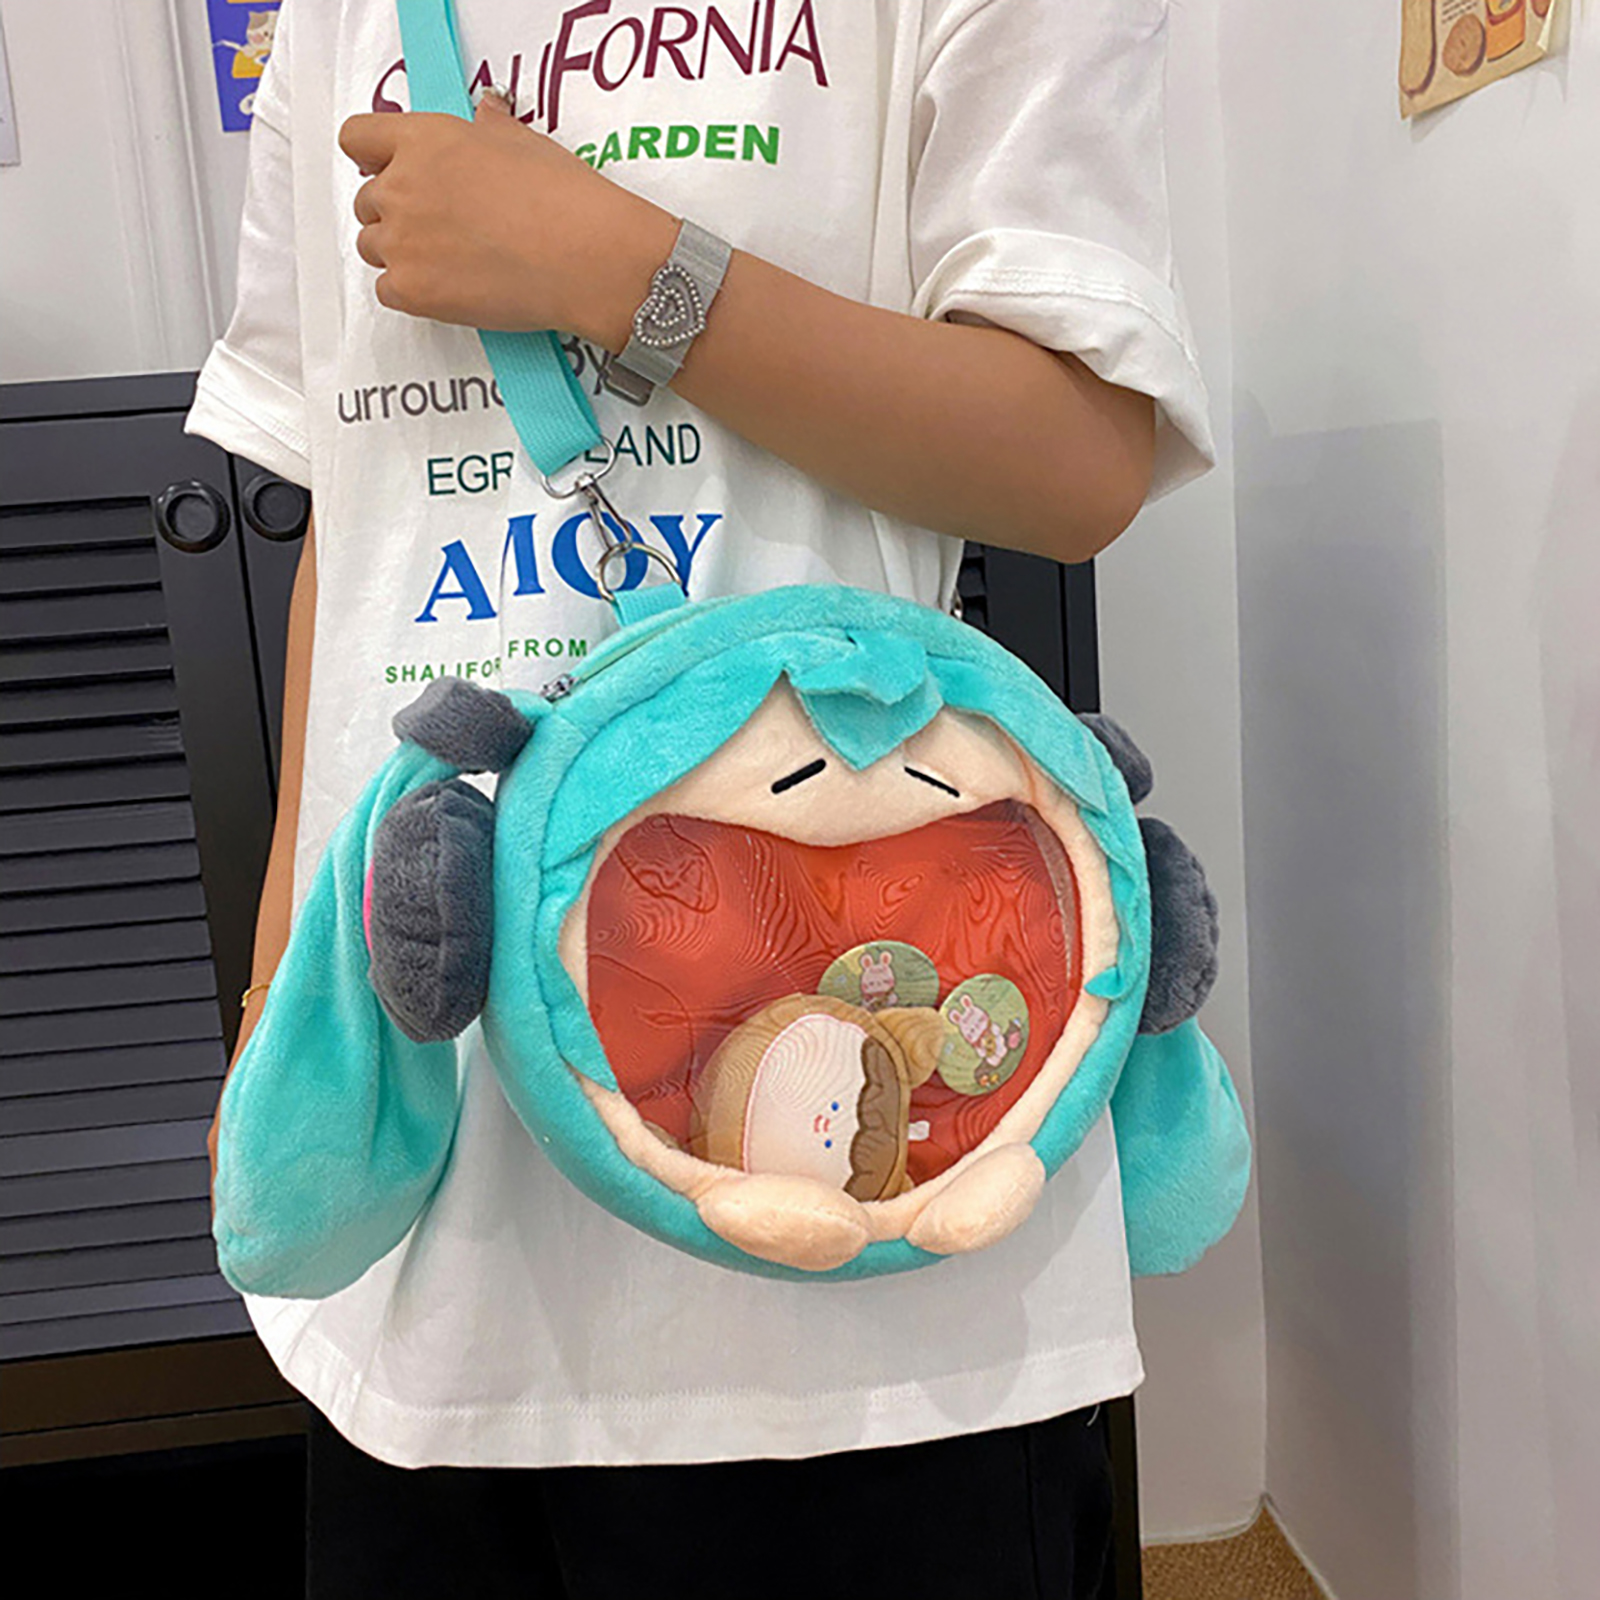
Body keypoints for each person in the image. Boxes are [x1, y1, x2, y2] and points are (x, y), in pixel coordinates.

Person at [187, 2, 1216, 1595]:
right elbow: (352, 511)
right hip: (439, 1166)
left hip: (868, 1230)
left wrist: (622, 269)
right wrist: (277, 1010)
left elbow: (1079, 459)